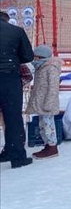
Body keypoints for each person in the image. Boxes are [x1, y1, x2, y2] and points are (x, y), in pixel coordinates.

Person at [0, 10, 36, 168]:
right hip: (9, 78)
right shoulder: (17, 31)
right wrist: (13, 59)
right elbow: (28, 56)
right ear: (7, 20)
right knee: (13, 117)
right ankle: (16, 155)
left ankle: (8, 151)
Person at [25, 45, 63, 159]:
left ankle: (52, 146)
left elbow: (53, 87)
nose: (34, 60)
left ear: (41, 57)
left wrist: (49, 103)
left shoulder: (51, 68)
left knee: (48, 125)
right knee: (42, 125)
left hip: (47, 102)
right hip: (41, 101)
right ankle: (48, 144)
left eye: (36, 57)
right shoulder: (41, 67)